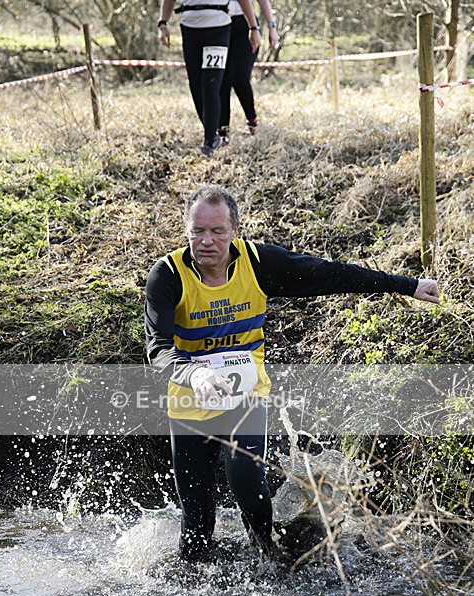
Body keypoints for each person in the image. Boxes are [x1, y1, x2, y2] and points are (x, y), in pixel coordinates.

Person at [144, 185, 440, 562]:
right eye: (197, 231)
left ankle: (268, 559)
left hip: (245, 398)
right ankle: (190, 592)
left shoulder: (260, 263)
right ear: (187, 231)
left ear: (235, 230)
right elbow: (158, 348)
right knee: (197, 521)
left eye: (217, 231)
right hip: (190, 403)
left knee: (247, 484)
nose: (206, 241)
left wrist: (408, 285)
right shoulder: (167, 276)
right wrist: (196, 375)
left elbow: (330, 275)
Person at [157, 0, 260, 157]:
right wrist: (163, 23)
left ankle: (209, 142)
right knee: (196, 86)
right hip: (189, 28)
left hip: (218, 28)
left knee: (211, 84)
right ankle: (212, 133)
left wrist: (253, 27)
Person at [218, 0, 278, 143]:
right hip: (219, 23)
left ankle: (252, 120)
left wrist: (272, 26)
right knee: (222, 79)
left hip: (246, 26)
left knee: (239, 76)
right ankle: (222, 130)